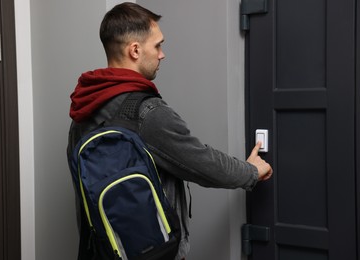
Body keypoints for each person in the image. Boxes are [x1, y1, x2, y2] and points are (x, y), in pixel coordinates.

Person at [67, 2, 273, 260]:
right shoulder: (147, 112)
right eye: (158, 45)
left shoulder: (82, 110)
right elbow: (203, 163)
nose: (162, 54)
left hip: (102, 251)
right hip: (155, 252)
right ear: (134, 50)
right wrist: (252, 171)